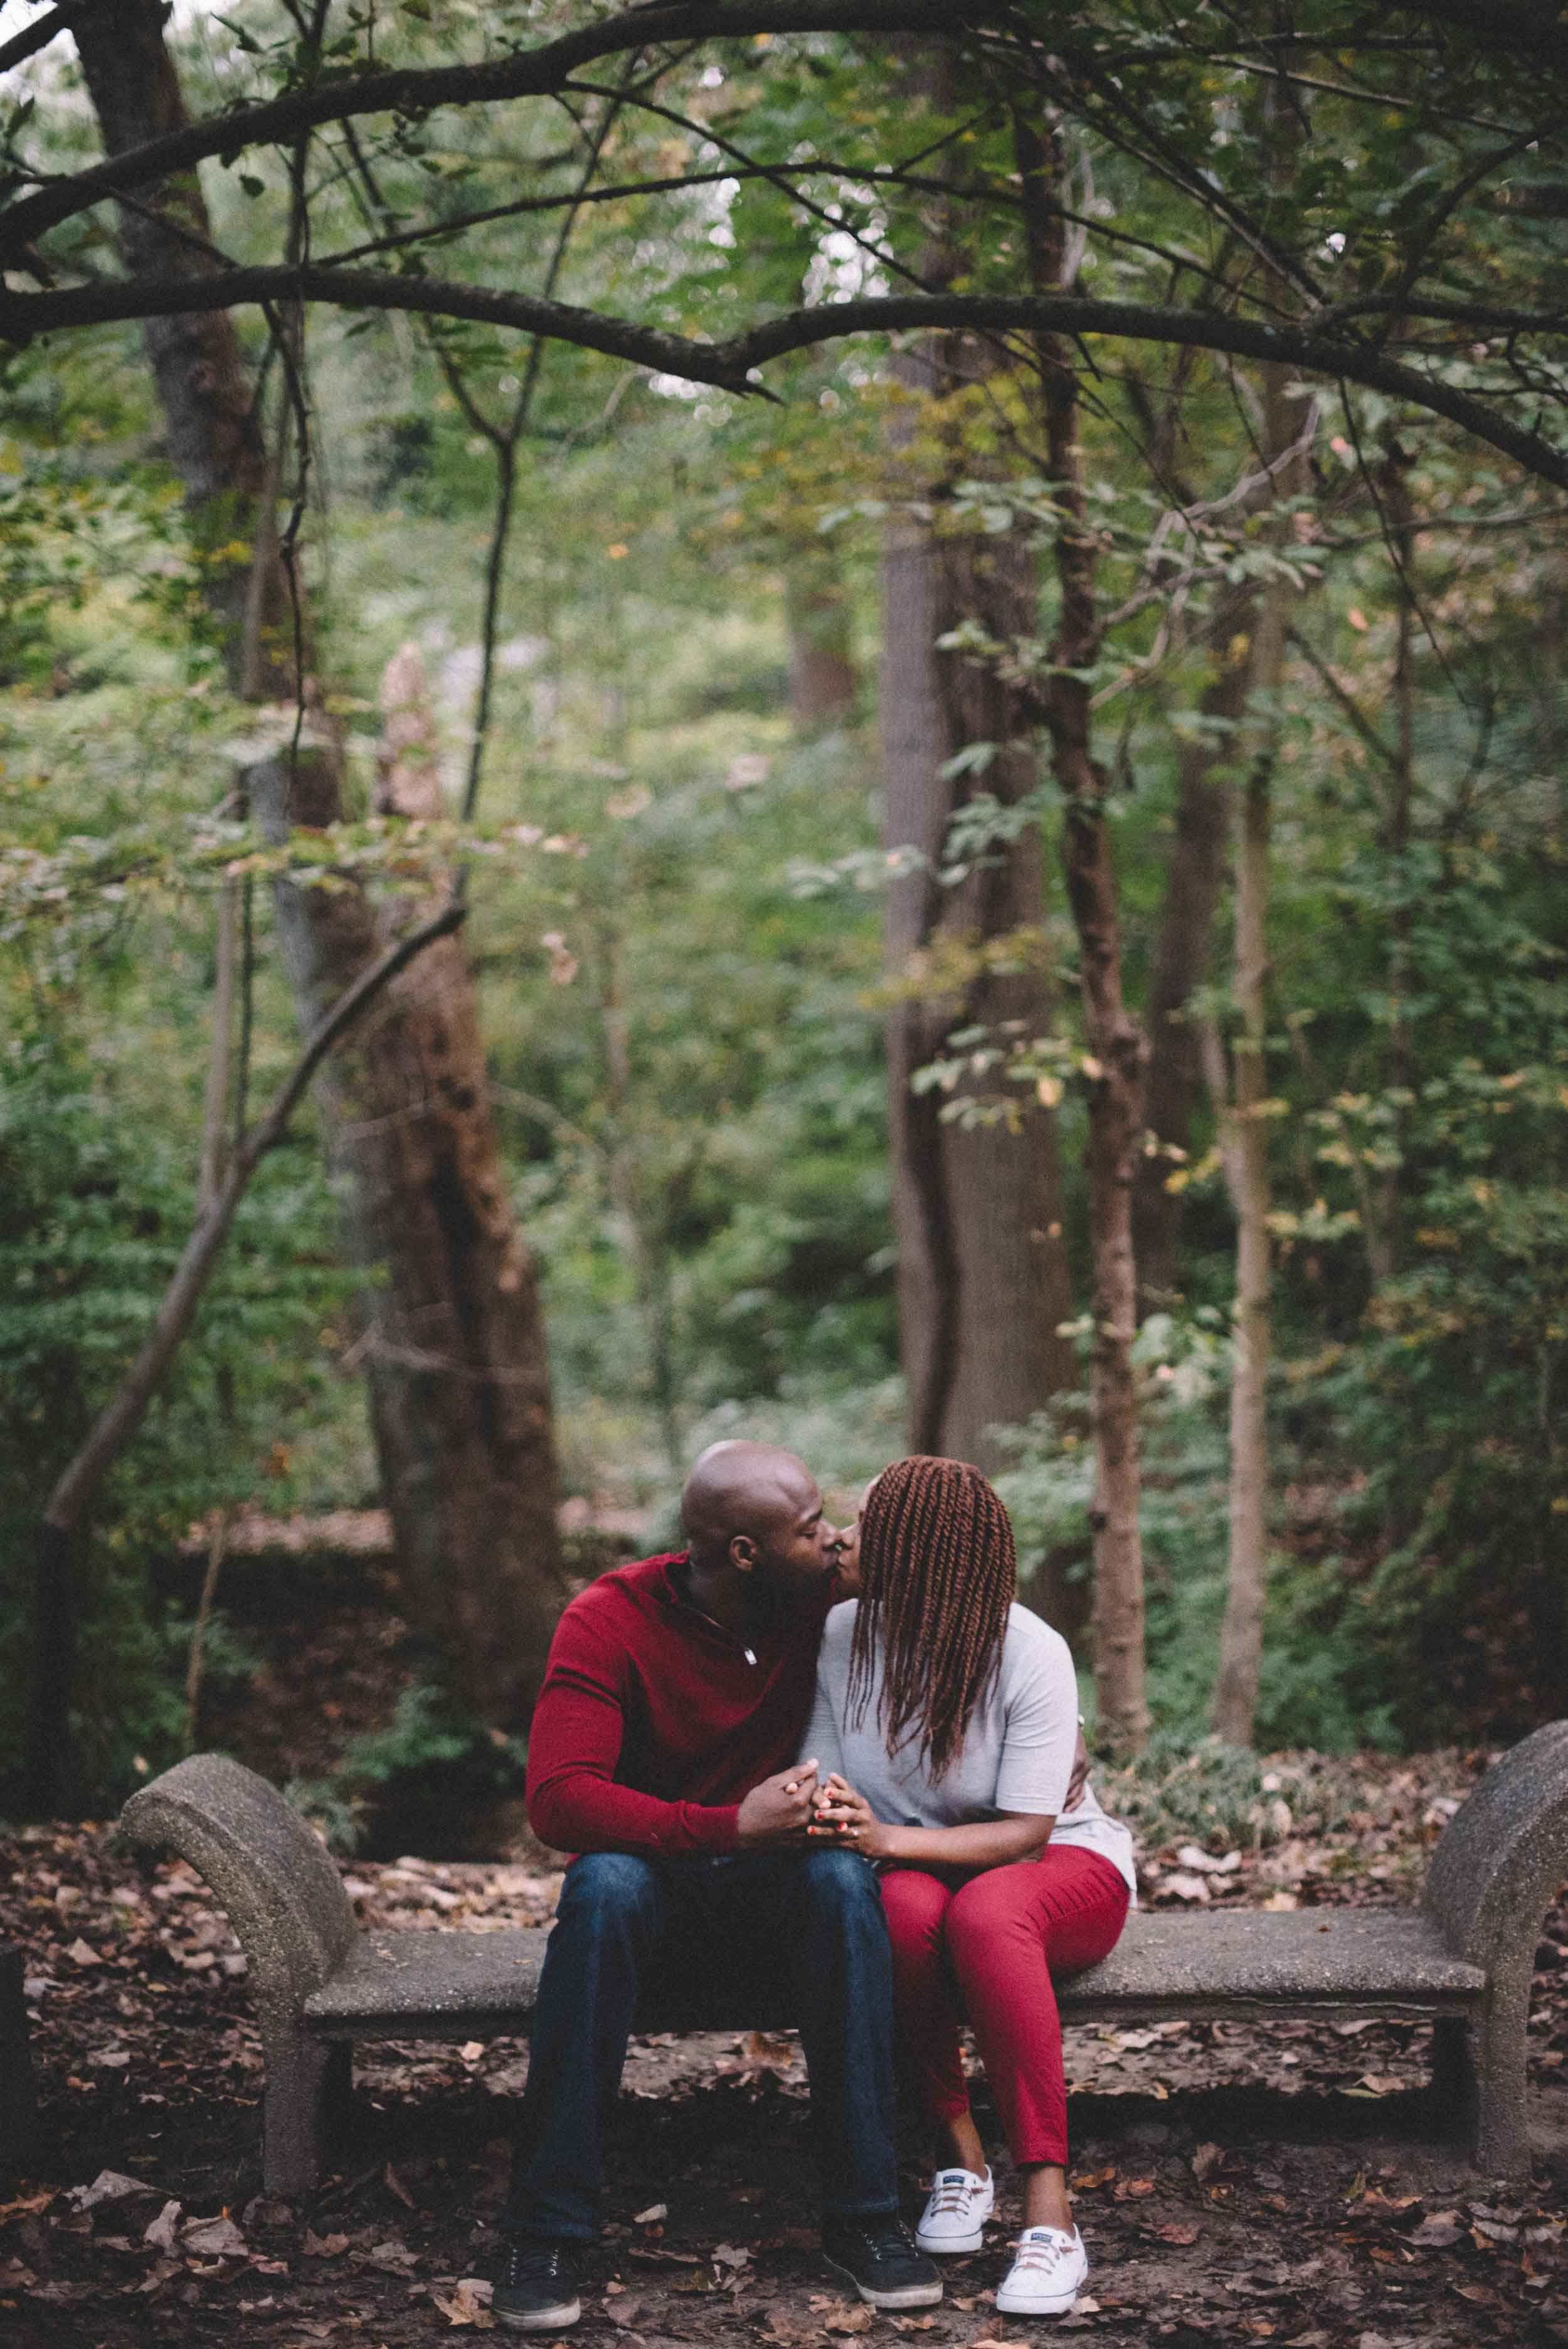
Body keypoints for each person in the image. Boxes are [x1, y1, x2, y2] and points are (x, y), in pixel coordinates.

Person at [494, 1440, 943, 2332]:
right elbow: (557, 1798)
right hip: (654, 1896)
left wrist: (1062, 1721)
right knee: (603, 1885)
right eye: (812, 1526)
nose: (830, 1541)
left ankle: (867, 2215)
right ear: (744, 1551)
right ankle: (543, 2229)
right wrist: (720, 1824)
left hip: (777, 1898)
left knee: (842, 1876)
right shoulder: (609, 1617)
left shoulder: (814, 1591)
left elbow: (963, 1603)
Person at [803, 1456, 1136, 2321]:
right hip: (915, 1870)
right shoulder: (843, 1638)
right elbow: (825, 1779)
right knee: (904, 1908)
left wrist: (885, 1835)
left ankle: (1051, 2212)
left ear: (912, 1550)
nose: (842, 1534)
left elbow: (1027, 1831)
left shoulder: (1028, 1650)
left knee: (987, 1914)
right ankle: (962, 2161)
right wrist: (873, 1838)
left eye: (864, 1523)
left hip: (1060, 1865)